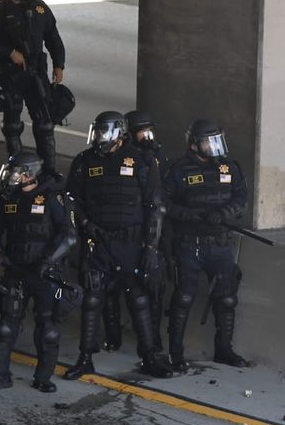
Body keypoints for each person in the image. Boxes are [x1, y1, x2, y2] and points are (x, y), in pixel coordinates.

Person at [63, 111, 172, 380]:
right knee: (92, 298)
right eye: (97, 131)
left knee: (138, 298)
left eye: (104, 131)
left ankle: (149, 357)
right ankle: (85, 358)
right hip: (97, 241)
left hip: (132, 242)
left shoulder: (143, 160)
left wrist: (150, 247)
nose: (99, 137)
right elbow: (71, 201)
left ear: (119, 133)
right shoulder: (84, 161)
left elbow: (155, 207)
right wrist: (85, 224)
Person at [0, 151, 76, 393]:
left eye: (16, 171)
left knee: (48, 328)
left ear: (29, 173)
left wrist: (47, 261)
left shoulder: (52, 196)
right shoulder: (6, 198)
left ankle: (43, 378)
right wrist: (0, 259)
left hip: (45, 272)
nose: (11, 175)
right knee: (5, 326)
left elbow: (68, 235)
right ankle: (1, 376)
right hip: (15, 271)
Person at [162, 119, 250, 370]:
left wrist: (223, 214)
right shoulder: (177, 170)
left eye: (217, 141)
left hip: (220, 245)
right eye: (208, 142)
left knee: (226, 300)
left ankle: (224, 350)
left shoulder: (229, 167)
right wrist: (189, 215)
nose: (214, 147)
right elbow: (161, 203)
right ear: (193, 145)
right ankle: (175, 354)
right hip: (190, 245)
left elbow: (241, 200)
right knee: (184, 298)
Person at [0, 0, 65, 172]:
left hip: (37, 73)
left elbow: (53, 38)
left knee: (44, 123)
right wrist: (9, 53)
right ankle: (18, 168)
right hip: (10, 74)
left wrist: (59, 65)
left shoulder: (40, 9)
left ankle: (48, 171)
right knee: (12, 126)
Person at [103, 110, 167, 353]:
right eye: (142, 131)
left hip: (152, 231)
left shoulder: (155, 155)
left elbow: (162, 191)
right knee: (112, 288)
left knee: (153, 288)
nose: (147, 136)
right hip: (126, 229)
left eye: (149, 130)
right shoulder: (125, 156)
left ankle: (151, 340)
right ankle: (112, 337)